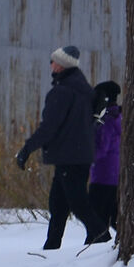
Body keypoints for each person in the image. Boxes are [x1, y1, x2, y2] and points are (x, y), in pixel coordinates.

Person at [16, 45, 98, 249]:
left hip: (70, 156)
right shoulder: (83, 88)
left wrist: (27, 149)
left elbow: (49, 127)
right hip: (77, 155)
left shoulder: (62, 92)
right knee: (58, 204)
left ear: (61, 65)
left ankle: (100, 235)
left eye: (53, 61)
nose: (50, 64)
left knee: (78, 203)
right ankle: (52, 245)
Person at [87, 80, 123, 245]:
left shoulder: (106, 122)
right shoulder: (120, 118)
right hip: (114, 176)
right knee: (113, 217)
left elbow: (101, 149)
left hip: (101, 176)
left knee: (95, 219)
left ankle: (92, 251)